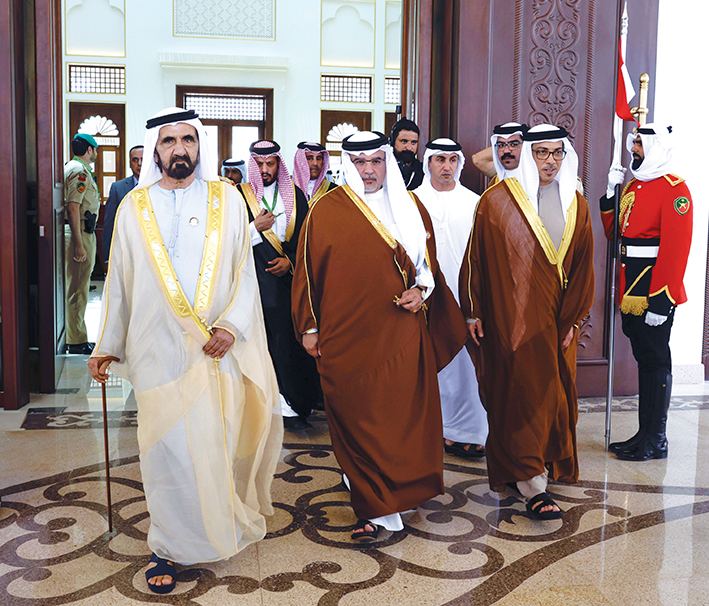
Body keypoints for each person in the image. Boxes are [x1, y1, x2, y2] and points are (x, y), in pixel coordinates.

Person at [88, 108, 282, 594]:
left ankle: (217, 527)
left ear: (200, 147)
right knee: (164, 450)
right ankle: (168, 545)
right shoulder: (133, 206)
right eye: (169, 141)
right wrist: (107, 344)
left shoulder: (227, 199)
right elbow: (119, 282)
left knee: (215, 442)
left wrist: (232, 326)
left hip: (214, 349)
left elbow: (242, 271)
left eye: (189, 140)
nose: (180, 149)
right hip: (154, 348)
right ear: (155, 151)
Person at [292, 131, 466, 541]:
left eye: (376, 161)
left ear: (387, 162)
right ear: (347, 164)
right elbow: (307, 273)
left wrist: (421, 291)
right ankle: (372, 502)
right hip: (346, 337)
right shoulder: (326, 209)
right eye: (360, 162)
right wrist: (309, 326)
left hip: (400, 333)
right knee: (356, 418)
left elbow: (428, 267)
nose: (368, 170)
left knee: (398, 416)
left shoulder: (410, 207)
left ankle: (389, 499)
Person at [460, 124, 594, 520]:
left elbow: (583, 267)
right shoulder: (497, 200)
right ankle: (532, 482)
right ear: (529, 154)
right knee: (519, 395)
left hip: (559, 322)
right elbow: (476, 260)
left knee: (553, 396)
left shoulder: (577, 204)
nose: (550, 161)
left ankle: (540, 465)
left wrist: (572, 321)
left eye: (557, 153)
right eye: (542, 152)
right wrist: (473, 309)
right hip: (510, 320)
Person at [600, 124, 693, 461]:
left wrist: (662, 300)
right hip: (631, 286)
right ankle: (643, 434)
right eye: (634, 143)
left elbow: (675, 249)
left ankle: (657, 439)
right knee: (645, 360)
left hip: (653, 289)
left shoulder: (675, 189)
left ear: (657, 147)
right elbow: (614, 233)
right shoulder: (634, 185)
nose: (634, 149)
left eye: (640, 144)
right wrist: (610, 194)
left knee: (655, 361)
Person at [236, 140, 322, 431]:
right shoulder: (239, 196)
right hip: (252, 282)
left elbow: (307, 239)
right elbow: (225, 240)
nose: (264, 169)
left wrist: (290, 262)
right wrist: (254, 229)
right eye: (259, 164)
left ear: (278, 165)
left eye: (270, 164)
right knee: (257, 345)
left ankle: (290, 403)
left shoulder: (295, 196)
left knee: (286, 343)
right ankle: (260, 404)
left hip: (287, 285)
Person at [414, 138, 488, 459]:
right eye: (439, 159)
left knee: (466, 364)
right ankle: (432, 428)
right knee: (429, 362)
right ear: (428, 162)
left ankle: (471, 431)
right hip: (425, 295)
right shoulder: (411, 201)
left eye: (452, 160)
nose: (446, 166)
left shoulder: (475, 202)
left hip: (463, 294)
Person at [64, 132, 100, 355]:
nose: (95, 153)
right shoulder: (79, 171)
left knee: (78, 286)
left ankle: (76, 335)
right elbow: (73, 207)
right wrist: (79, 243)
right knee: (78, 288)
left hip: (83, 230)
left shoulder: (75, 167)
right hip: (81, 232)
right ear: (89, 150)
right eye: (95, 149)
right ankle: (76, 341)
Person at [102, 145, 143, 262]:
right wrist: (107, 256)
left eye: (143, 159)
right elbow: (110, 222)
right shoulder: (118, 188)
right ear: (129, 164)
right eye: (135, 160)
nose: (139, 164)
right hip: (126, 251)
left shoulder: (160, 186)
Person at [390, 118, 424, 190]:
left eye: (413, 142)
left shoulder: (424, 172)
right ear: (392, 142)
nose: (409, 147)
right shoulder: (383, 169)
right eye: (404, 141)